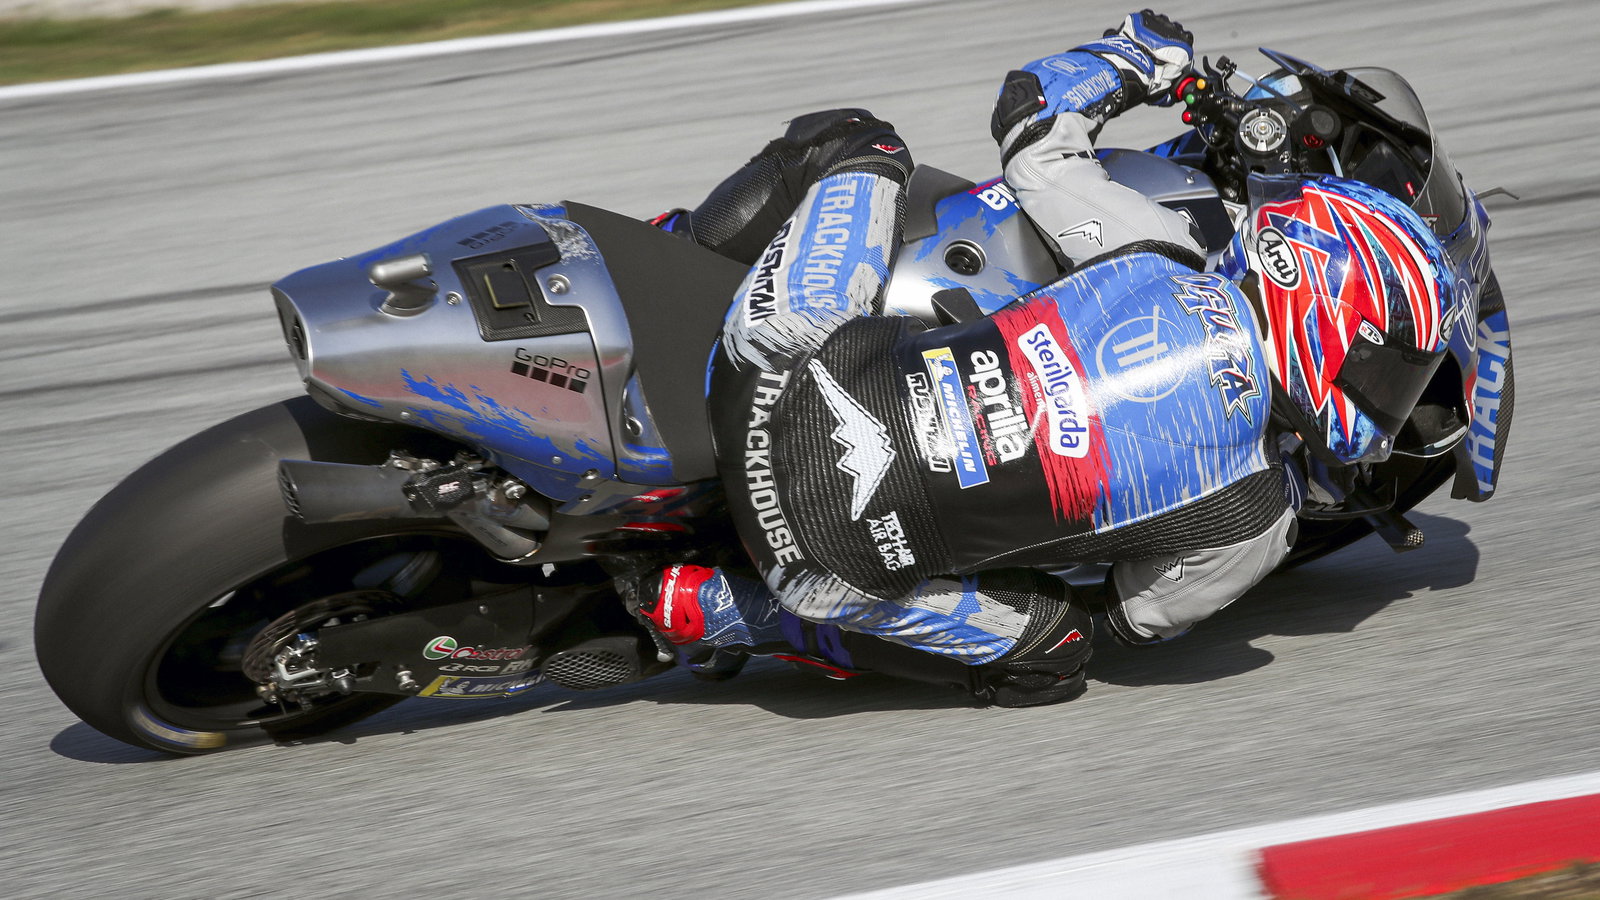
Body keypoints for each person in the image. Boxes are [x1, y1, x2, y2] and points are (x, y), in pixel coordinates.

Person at [632, 11, 1461, 707]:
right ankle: (722, 610)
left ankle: (671, 261)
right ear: (1319, 300)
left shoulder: (1158, 251)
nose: (1384, 401)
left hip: (764, 372)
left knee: (857, 141)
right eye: (1386, 368)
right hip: (822, 571)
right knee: (1060, 649)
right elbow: (1133, 619)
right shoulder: (1260, 520)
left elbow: (1031, 123)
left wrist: (1134, 56)